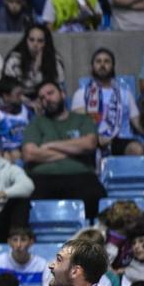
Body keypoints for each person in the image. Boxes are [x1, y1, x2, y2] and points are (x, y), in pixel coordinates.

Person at [22, 81, 105, 220]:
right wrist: (75, 150)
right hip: (42, 178)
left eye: (50, 93)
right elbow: (29, 154)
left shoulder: (82, 120)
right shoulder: (36, 123)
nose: (46, 99)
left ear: (63, 94)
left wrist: (49, 145)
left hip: (80, 175)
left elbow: (90, 144)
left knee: (96, 195)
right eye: (42, 98)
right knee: (23, 201)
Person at [70, 48, 143, 156]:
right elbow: (77, 123)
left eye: (107, 61)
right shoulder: (81, 94)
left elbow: (139, 124)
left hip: (120, 140)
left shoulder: (125, 94)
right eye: (98, 61)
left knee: (136, 149)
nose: (102, 65)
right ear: (92, 66)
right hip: (92, 140)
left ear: (113, 66)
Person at [3, 23, 66, 104]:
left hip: (46, 102)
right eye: (31, 40)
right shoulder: (14, 60)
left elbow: (59, 89)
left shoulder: (55, 60)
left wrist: (37, 70)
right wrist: (29, 103)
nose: (35, 44)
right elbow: (9, 90)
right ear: (26, 41)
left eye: (40, 41)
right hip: (20, 102)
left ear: (46, 43)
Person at [0, 76, 33, 163]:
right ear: (6, 96)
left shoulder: (27, 111)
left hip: (26, 150)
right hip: (8, 153)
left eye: (22, 94)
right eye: (18, 94)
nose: (22, 97)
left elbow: (35, 133)